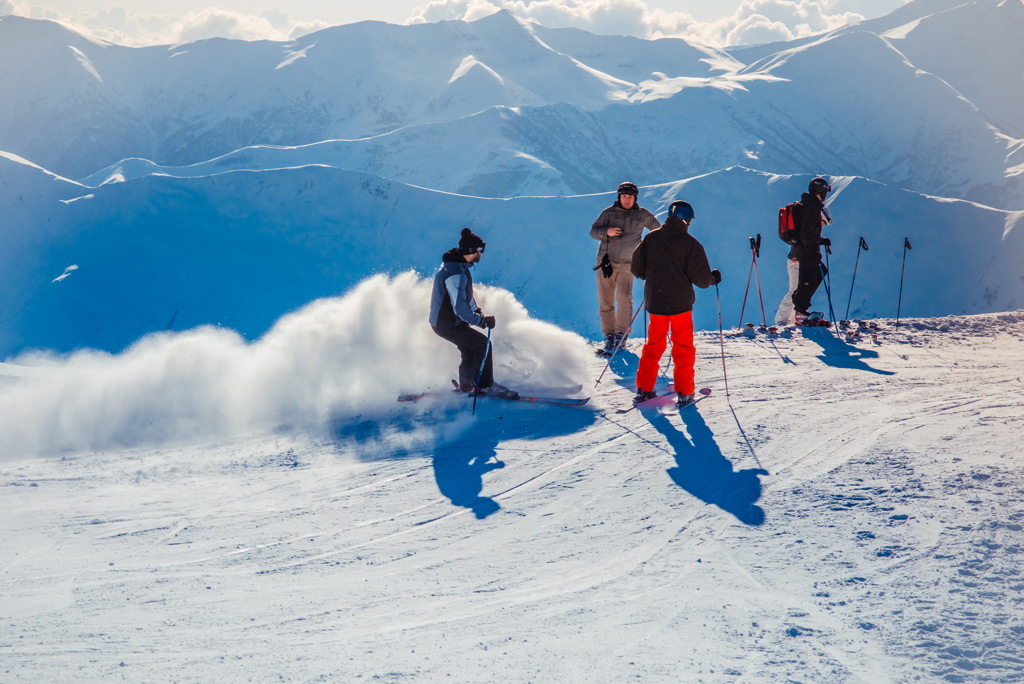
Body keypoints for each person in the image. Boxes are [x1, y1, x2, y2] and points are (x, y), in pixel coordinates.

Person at [630, 200, 720, 407]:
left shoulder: (651, 238)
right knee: (683, 348)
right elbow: (702, 280)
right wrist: (713, 277)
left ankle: (644, 389)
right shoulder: (691, 244)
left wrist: (652, 276)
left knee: (653, 346)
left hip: (656, 303)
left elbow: (636, 268)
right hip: (680, 306)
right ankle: (685, 392)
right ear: (687, 219)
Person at [428, 228, 517, 399]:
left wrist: (476, 311)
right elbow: (459, 307)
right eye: (480, 250)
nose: (481, 254)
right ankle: (485, 386)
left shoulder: (458, 267)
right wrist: (481, 322)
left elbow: (464, 296)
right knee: (484, 344)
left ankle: (467, 383)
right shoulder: (455, 273)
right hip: (446, 323)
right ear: (472, 251)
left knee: (470, 348)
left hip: (447, 321)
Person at [590, 181, 661, 354]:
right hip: (606, 262)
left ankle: (621, 335)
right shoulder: (609, 213)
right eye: (624, 197)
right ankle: (609, 336)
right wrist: (606, 232)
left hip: (629, 264)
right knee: (605, 301)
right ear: (619, 197)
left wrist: (646, 247)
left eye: (630, 197)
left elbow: (658, 230)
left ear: (635, 198)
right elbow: (593, 232)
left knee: (624, 297)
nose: (627, 200)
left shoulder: (642, 214)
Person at [775, 177, 833, 326]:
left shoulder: (807, 204)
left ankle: (797, 314)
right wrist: (810, 252)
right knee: (799, 287)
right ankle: (793, 317)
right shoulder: (812, 207)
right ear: (821, 190)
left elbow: (806, 233)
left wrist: (820, 240)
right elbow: (807, 233)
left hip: (801, 252)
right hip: (804, 254)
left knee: (815, 276)